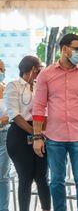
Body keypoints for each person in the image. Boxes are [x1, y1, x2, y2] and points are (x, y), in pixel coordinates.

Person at [32, 33, 78, 211]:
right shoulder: (46, 75)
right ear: (64, 49)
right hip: (55, 137)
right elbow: (39, 107)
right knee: (56, 181)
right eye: (77, 49)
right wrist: (37, 137)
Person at [4, 56, 50, 211]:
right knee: (25, 178)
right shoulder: (13, 85)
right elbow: (15, 116)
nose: (39, 74)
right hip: (19, 133)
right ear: (30, 70)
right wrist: (36, 133)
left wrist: (41, 132)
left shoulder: (40, 86)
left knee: (42, 177)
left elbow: (46, 110)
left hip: (39, 131)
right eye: (37, 71)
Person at [0, 60, 10, 211]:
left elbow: (14, 112)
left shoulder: (7, 88)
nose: (2, 72)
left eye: (3, 69)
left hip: (4, 134)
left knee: (2, 176)